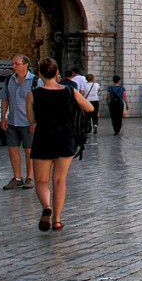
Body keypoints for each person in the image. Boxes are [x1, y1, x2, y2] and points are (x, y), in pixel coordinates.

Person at [27, 57, 94, 231]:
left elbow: (31, 119)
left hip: (43, 136)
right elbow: (89, 108)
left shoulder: (32, 94)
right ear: (57, 73)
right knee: (59, 180)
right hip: (65, 136)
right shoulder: (69, 91)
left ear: (40, 74)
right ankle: (57, 220)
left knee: (41, 181)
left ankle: (46, 207)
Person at [0, 54, 37, 190]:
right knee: (12, 149)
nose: (13, 66)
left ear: (25, 65)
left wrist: (35, 121)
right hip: (12, 121)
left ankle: (30, 177)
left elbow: (39, 103)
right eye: (13, 64)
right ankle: (17, 178)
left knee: (29, 150)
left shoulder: (35, 81)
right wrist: (3, 117)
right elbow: (5, 99)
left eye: (16, 64)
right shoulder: (10, 79)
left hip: (28, 122)